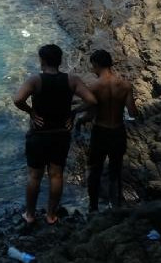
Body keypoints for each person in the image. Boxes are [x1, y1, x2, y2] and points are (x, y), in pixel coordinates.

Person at [13, 44, 96, 225]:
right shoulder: (72, 80)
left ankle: (30, 215)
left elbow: (17, 99)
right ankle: (51, 215)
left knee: (35, 176)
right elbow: (91, 100)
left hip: (39, 135)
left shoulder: (35, 80)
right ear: (59, 61)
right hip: (60, 134)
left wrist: (31, 112)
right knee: (56, 175)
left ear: (42, 60)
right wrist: (74, 113)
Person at [86, 50, 138, 212]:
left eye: (93, 66)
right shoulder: (125, 85)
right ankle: (115, 205)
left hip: (100, 131)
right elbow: (132, 112)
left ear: (96, 65)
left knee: (95, 170)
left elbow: (90, 113)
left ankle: (93, 207)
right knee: (115, 169)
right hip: (118, 131)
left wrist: (79, 118)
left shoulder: (94, 86)